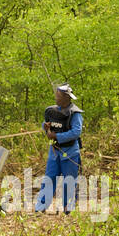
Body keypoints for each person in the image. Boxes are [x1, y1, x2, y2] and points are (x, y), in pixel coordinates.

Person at [35, 83, 83, 214]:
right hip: (54, 152)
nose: (55, 97)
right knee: (49, 179)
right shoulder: (51, 111)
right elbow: (45, 124)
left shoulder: (75, 113)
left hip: (70, 153)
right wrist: (45, 127)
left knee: (69, 181)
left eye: (58, 95)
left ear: (66, 97)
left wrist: (57, 136)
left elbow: (76, 132)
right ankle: (41, 207)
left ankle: (69, 209)